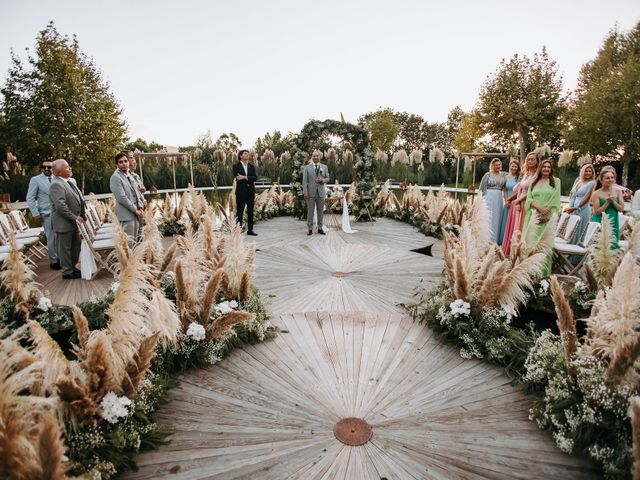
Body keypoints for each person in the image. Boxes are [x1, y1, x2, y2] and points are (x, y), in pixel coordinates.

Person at [48, 159, 85, 279]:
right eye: (67, 167)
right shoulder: (56, 184)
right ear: (59, 171)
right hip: (64, 223)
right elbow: (60, 206)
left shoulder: (69, 182)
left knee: (75, 246)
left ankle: (73, 267)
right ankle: (67, 272)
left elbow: (78, 198)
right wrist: (75, 217)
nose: (70, 168)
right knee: (65, 249)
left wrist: (83, 214)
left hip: (74, 222)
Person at [524, 159, 561, 276]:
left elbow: (555, 199)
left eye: (548, 167)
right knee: (531, 243)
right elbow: (529, 198)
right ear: (540, 168)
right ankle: (529, 272)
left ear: (551, 169)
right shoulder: (534, 181)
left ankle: (543, 275)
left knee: (544, 245)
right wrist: (538, 208)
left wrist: (546, 212)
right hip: (533, 216)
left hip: (547, 218)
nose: (546, 169)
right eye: (544, 166)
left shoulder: (556, 181)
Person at [502, 152, 540, 255]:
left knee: (524, 227)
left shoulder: (537, 175)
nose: (530, 161)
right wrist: (517, 202)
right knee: (517, 228)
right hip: (519, 203)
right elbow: (520, 188)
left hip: (528, 203)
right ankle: (514, 252)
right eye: (528, 159)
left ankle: (522, 252)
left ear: (537, 161)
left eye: (533, 159)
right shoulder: (526, 173)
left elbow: (531, 192)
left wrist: (518, 200)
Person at [26, 161, 59, 269]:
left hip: (60, 213)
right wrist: (35, 213)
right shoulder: (35, 180)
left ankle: (62, 258)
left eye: (48, 167)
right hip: (46, 213)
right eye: (43, 167)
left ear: (53, 167)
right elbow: (30, 198)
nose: (46, 168)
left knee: (60, 237)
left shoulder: (57, 178)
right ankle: (54, 261)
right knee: (51, 237)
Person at [110, 152, 143, 245]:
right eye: (121, 162)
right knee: (129, 245)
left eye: (125, 161)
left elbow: (137, 192)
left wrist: (140, 207)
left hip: (136, 214)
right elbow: (122, 197)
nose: (124, 164)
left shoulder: (129, 175)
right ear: (117, 164)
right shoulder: (115, 177)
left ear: (129, 162)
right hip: (126, 216)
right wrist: (135, 210)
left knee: (136, 242)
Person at [591, 169, 624, 249]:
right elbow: (597, 212)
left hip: (613, 221)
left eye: (612, 177)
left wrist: (613, 201)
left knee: (612, 245)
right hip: (600, 221)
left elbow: (621, 209)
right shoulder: (596, 193)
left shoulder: (618, 191)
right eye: (607, 178)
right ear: (601, 180)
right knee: (599, 247)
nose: (610, 180)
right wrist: (607, 202)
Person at [565, 164, 596, 244]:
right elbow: (572, 193)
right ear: (582, 171)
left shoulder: (592, 183)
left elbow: (587, 198)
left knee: (578, 231)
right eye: (586, 171)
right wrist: (570, 206)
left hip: (583, 209)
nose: (588, 173)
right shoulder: (578, 180)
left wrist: (575, 208)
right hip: (572, 208)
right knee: (570, 230)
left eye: (590, 171)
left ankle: (575, 254)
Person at [479, 158, 507, 244]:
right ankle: (486, 239)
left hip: (499, 198)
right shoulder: (487, 175)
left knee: (497, 217)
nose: (498, 166)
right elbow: (481, 188)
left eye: (499, 165)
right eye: (496, 165)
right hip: (489, 197)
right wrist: (480, 201)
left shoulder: (504, 175)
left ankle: (495, 240)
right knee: (489, 217)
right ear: (492, 166)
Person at [303, 150, 330, 235]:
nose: (315, 157)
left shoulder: (324, 167)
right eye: (313, 156)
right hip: (310, 193)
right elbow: (305, 182)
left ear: (319, 157)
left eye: (316, 156)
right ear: (312, 157)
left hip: (321, 193)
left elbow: (328, 178)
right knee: (310, 211)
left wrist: (323, 180)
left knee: (320, 212)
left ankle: (320, 228)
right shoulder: (307, 167)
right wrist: (305, 192)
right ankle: (310, 228)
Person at [232, 149, 258, 235]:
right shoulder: (236, 166)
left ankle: (250, 230)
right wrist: (247, 178)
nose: (247, 155)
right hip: (241, 192)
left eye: (248, 154)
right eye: (245, 153)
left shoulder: (251, 166)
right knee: (240, 211)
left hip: (250, 191)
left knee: (250, 211)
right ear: (240, 156)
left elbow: (255, 178)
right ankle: (238, 231)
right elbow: (238, 178)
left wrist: (244, 177)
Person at [499, 159, 520, 250]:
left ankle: (511, 242)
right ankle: (503, 241)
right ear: (509, 166)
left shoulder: (519, 178)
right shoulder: (506, 177)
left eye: (515, 166)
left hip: (515, 200)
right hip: (507, 201)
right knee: (505, 221)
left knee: (512, 221)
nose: (514, 168)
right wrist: (506, 200)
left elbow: (519, 190)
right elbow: (505, 190)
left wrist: (511, 200)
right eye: (512, 166)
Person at [127, 151, 146, 240]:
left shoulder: (136, 176)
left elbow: (141, 188)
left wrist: (142, 189)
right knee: (135, 237)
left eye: (134, 158)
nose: (134, 161)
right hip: (134, 211)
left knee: (141, 233)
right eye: (131, 158)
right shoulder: (125, 177)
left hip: (141, 208)